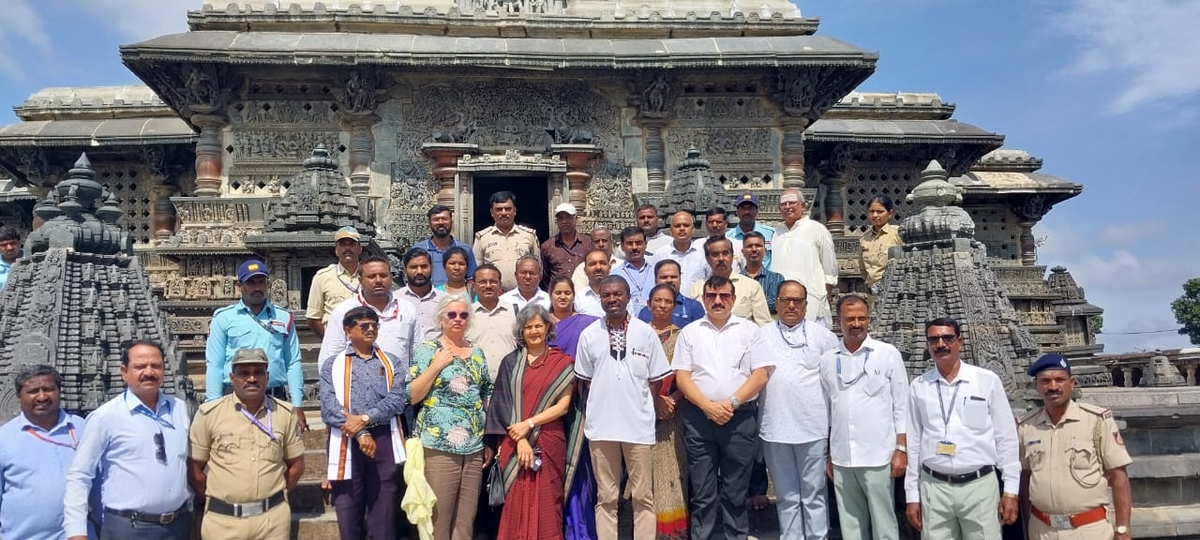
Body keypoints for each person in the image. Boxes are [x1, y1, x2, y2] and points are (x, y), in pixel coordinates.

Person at [673, 275, 775, 539]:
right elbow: (683, 377)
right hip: (699, 419)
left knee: (735, 491)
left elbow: (761, 374)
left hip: (739, 418)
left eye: (724, 296)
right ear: (703, 298)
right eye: (711, 296)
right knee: (703, 491)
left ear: (733, 299)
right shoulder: (691, 332)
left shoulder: (750, 331)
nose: (717, 301)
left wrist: (730, 403)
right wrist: (707, 406)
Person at [575, 275, 672, 540]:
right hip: (601, 428)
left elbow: (656, 380)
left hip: (638, 427)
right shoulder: (589, 335)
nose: (612, 299)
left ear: (628, 297)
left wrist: (641, 407)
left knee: (643, 496)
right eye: (606, 295)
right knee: (606, 497)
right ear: (600, 299)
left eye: (617, 294)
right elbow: (585, 383)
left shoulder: (645, 332)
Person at [905, 317, 1020, 539]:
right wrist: (912, 496)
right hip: (934, 486)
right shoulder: (919, 387)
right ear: (928, 345)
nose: (941, 344)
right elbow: (914, 444)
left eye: (947, 338)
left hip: (979, 486)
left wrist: (1011, 491)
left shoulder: (986, 381)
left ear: (960, 341)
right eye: (934, 339)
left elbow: (1006, 437)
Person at [66, 342, 193, 540]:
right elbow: (80, 475)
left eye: (156, 366)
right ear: (124, 372)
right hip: (128, 528)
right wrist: (76, 532)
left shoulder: (180, 409)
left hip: (179, 525)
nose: (149, 372)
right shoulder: (105, 416)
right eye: (140, 366)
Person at [753, 281, 840, 540]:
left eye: (797, 301)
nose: (791, 305)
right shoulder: (761, 335)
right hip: (775, 427)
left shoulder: (823, 337)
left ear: (806, 304)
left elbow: (833, 384)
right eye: (785, 300)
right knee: (787, 495)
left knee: (814, 494)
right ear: (776, 302)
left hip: (813, 427)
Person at [486, 304, 582, 539]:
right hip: (513, 441)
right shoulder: (511, 362)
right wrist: (520, 440)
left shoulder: (562, 363)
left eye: (538, 325)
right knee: (516, 502)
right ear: (521, 330)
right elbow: (503, 405)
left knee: (548, 500)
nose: (533, 331)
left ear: (548, 327)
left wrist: (528, 425)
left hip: (549, 440)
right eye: (528, 327)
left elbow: (563, 406)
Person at [189, 348, 305, 540]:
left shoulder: (285, 413)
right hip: (223, 522)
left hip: (272, 523)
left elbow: (296, 465)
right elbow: (194, 471)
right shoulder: (209, 415)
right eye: (244, 373)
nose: (252, 379)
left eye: (258, 372)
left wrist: (274, 494)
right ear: (232, 377)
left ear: (267, 377)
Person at [820, 295, 908, 540]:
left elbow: (901, 405)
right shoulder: (828, 359)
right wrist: (828, 454)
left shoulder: (887, 354)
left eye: (861, 318)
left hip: (878, 455)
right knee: (851, 526)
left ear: (869, 320)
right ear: (839, 321)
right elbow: (827, 411)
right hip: (842, 457)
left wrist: (901, 448)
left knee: (884, 524)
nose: (856, 323)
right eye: (850, 319)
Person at [1018, 354, 1132, 540]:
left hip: (1088, 530)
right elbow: (1025, 479)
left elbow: (1119, 477)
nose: (1053, 387)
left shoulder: (1096, 422)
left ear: (1072, 383)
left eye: (1059, 380)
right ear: (1035, 386)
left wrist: (1122, 529)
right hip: (1041, 531)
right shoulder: (1026, 427)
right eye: (1045, 381)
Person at [409, 295, 495, 540]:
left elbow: (486, 393)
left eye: (463, 315)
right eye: (452, 315)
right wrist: (437, 365)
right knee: (439, 517)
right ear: (440, 319)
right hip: (439, 446)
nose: (458, 319)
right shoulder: (427, 351)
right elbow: (412, 395)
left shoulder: (477, 352)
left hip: (474, 446)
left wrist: (488, 438)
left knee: (466, 518)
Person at [321, 307, 409, 540]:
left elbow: (397, 401)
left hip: (383, 438)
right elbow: (329, 408)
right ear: (348, 330)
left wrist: (365, 420)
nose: (371, 329)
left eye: (374, 325)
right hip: (346, 439)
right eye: (364, 325)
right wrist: (360, 433)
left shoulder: (392, 363)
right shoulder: (333, 364)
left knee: (384, 510)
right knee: (348, 510)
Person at [206, 259, 307, 430]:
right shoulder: (224, 318)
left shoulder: (283, 317)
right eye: (251, 283)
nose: (257, 288)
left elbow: (293, 362)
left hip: (275, 398)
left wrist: (297, 404)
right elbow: (214, 364)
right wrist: (213, 406)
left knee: (276, 452)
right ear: (240, 286)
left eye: (261, 282)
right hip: (234, 397)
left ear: (268, 284)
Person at [0, 365, 95, 540]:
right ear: (18, 396)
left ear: (59, 392)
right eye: (33, 391)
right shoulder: (4, 439)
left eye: (49, 389)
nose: (42, 397)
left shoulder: (83, 429)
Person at [319, 255, 418, 374]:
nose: (378, 281)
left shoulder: (407, 309)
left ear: (391, 277)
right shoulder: (343, 311)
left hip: (400, 385)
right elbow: (330, 355)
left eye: (383, 275)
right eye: (371, 276)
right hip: (357, 387)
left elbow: (417, 350)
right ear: (360, 280)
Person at [645, 283, 690, 539]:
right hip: (641, 414)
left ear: (675, 306)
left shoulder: (683, 336)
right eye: (657, 301)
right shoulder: (638, 334)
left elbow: (690, 373)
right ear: (648, 304)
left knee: (674, 472)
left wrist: (670, 399)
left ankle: (673, 533)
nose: (662, 306)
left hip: (674, 414)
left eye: (668, 302)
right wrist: (652, 401)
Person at [773, 188, 838, 326]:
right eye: (783, 204)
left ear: (803, 206)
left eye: (792, 202)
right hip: (783, 302)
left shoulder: (817, 229)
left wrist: (826, 292)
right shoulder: (777, 233)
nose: (787, 207)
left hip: (812, 299)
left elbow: (830, 268)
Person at [687, 236, 771, 326]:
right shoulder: (696, 288)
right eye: (715, 254)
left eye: (725, 253)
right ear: (707, 258)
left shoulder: (751, 286)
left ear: (732, 256)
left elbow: (763, 324)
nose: (721, 258)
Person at [474, 191, 540, 290]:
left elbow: (537, 266)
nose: (504, 213)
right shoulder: (482, 237)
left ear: (515, 211)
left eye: (508, 209)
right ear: (492, 212)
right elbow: (477, 270)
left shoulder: (529, 235)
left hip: (524, 294)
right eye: (499, 209)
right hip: (494, 295)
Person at [305, 226, 363, 338]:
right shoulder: (322, 276)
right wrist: (329, 340)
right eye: (342, 244)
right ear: (336, 250)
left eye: (351, 244)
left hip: (366, 340)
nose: (347, 248)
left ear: (360, 249)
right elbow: (313, 318)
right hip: (335, 340)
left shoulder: (369, 275)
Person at [466, 264, 520, 379]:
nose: (488, 286)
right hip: (476, 382)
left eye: (493, 282)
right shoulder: (465, 315)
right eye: (482, 282)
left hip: (508, 381)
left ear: (500, 285)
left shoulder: (514, 312)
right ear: (473, 285)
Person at [415, 205, 478, 287]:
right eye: (436, 220)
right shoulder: (419, 249)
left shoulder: (465, 249)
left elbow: (471, 279)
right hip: (428, 297)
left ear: (451, 222)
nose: (440, 222)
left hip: (457, 297)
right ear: (429, 224)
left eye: (445, 219)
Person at [636, 259, 706, 328]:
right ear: (655, 280)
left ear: (680, 279)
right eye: (664, 277)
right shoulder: (645, 312)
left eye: (673, 277)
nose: (669, 280)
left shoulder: (693, 307)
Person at [399, 247, 449, 341]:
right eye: (413, 267)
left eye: (424, 266)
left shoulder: (445, 300)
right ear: (405, 270)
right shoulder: (396, 299)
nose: (419, 272)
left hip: (438, 354)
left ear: (431, 268)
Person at [542, 203, 594, 288]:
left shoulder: (588, 243)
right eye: (560, 218)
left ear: (576, 219)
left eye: (568, 217)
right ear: (557, 221)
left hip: (582, 294)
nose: (564, 221)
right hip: (558, 296)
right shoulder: (548, 246)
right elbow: (545, 276)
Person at [860, 195, 903, 293]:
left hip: (894, 292)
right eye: (871, 211)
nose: (875, 215)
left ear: (890, 213)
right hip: (872, 294)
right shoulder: (864, 239)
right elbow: (863, 269)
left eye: (880, 212)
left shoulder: (898, 234)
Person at [547, 275, 599, 357]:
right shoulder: (543, 322)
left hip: (578, 367)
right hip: (550, 367)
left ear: (574, 296)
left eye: (567, 293)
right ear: (550, 296)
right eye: (558, 293)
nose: (563, 297)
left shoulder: (586, 322)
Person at [611, 226, 657, 318]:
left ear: (645, 244)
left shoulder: (656, 272)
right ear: (622, 246)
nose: (634, 247)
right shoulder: (614, 275)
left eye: (639, 243)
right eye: (629, 243)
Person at [661, 210, 707, 290]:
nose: (682, 229)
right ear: (671, 231)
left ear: (693, 229)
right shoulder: (661, 254)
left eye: (686, 225)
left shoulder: (704, 253)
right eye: (677, 226)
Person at [741, 231, 784, 314]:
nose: (754, 249)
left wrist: (745, 303)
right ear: (743, 252)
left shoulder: (776, 278)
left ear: (765, 250)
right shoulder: (736, 280)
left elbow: (776, 304)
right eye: (749, 246)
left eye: (758, 246)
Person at [728, 193, 774, 270]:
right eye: (743, 208)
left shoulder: (771, 234)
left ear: (757, 211)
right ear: (737, 212)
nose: (747, 212)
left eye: (751, 208)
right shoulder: (728, 237)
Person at [572, 226, 621, 293]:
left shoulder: (622, 266)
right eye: (597, 241)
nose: (601, 244)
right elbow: (579, 296)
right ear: (591, 244)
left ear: (611, 242)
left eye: (604, 241)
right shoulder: (581, 269)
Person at [704, 207, 744, 272]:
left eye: (718, 222)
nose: (714, 225)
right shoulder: (697, 246)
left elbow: (745, 269)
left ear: (726, 224)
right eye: (711, 222)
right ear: (706, 224)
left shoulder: (738, 245)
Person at [573, 249, 611, 318]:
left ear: (609, 267)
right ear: (585, 270)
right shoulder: (578, 298)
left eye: (602, 263)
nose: (598, 267)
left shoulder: (621, 296)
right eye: (592, 264)